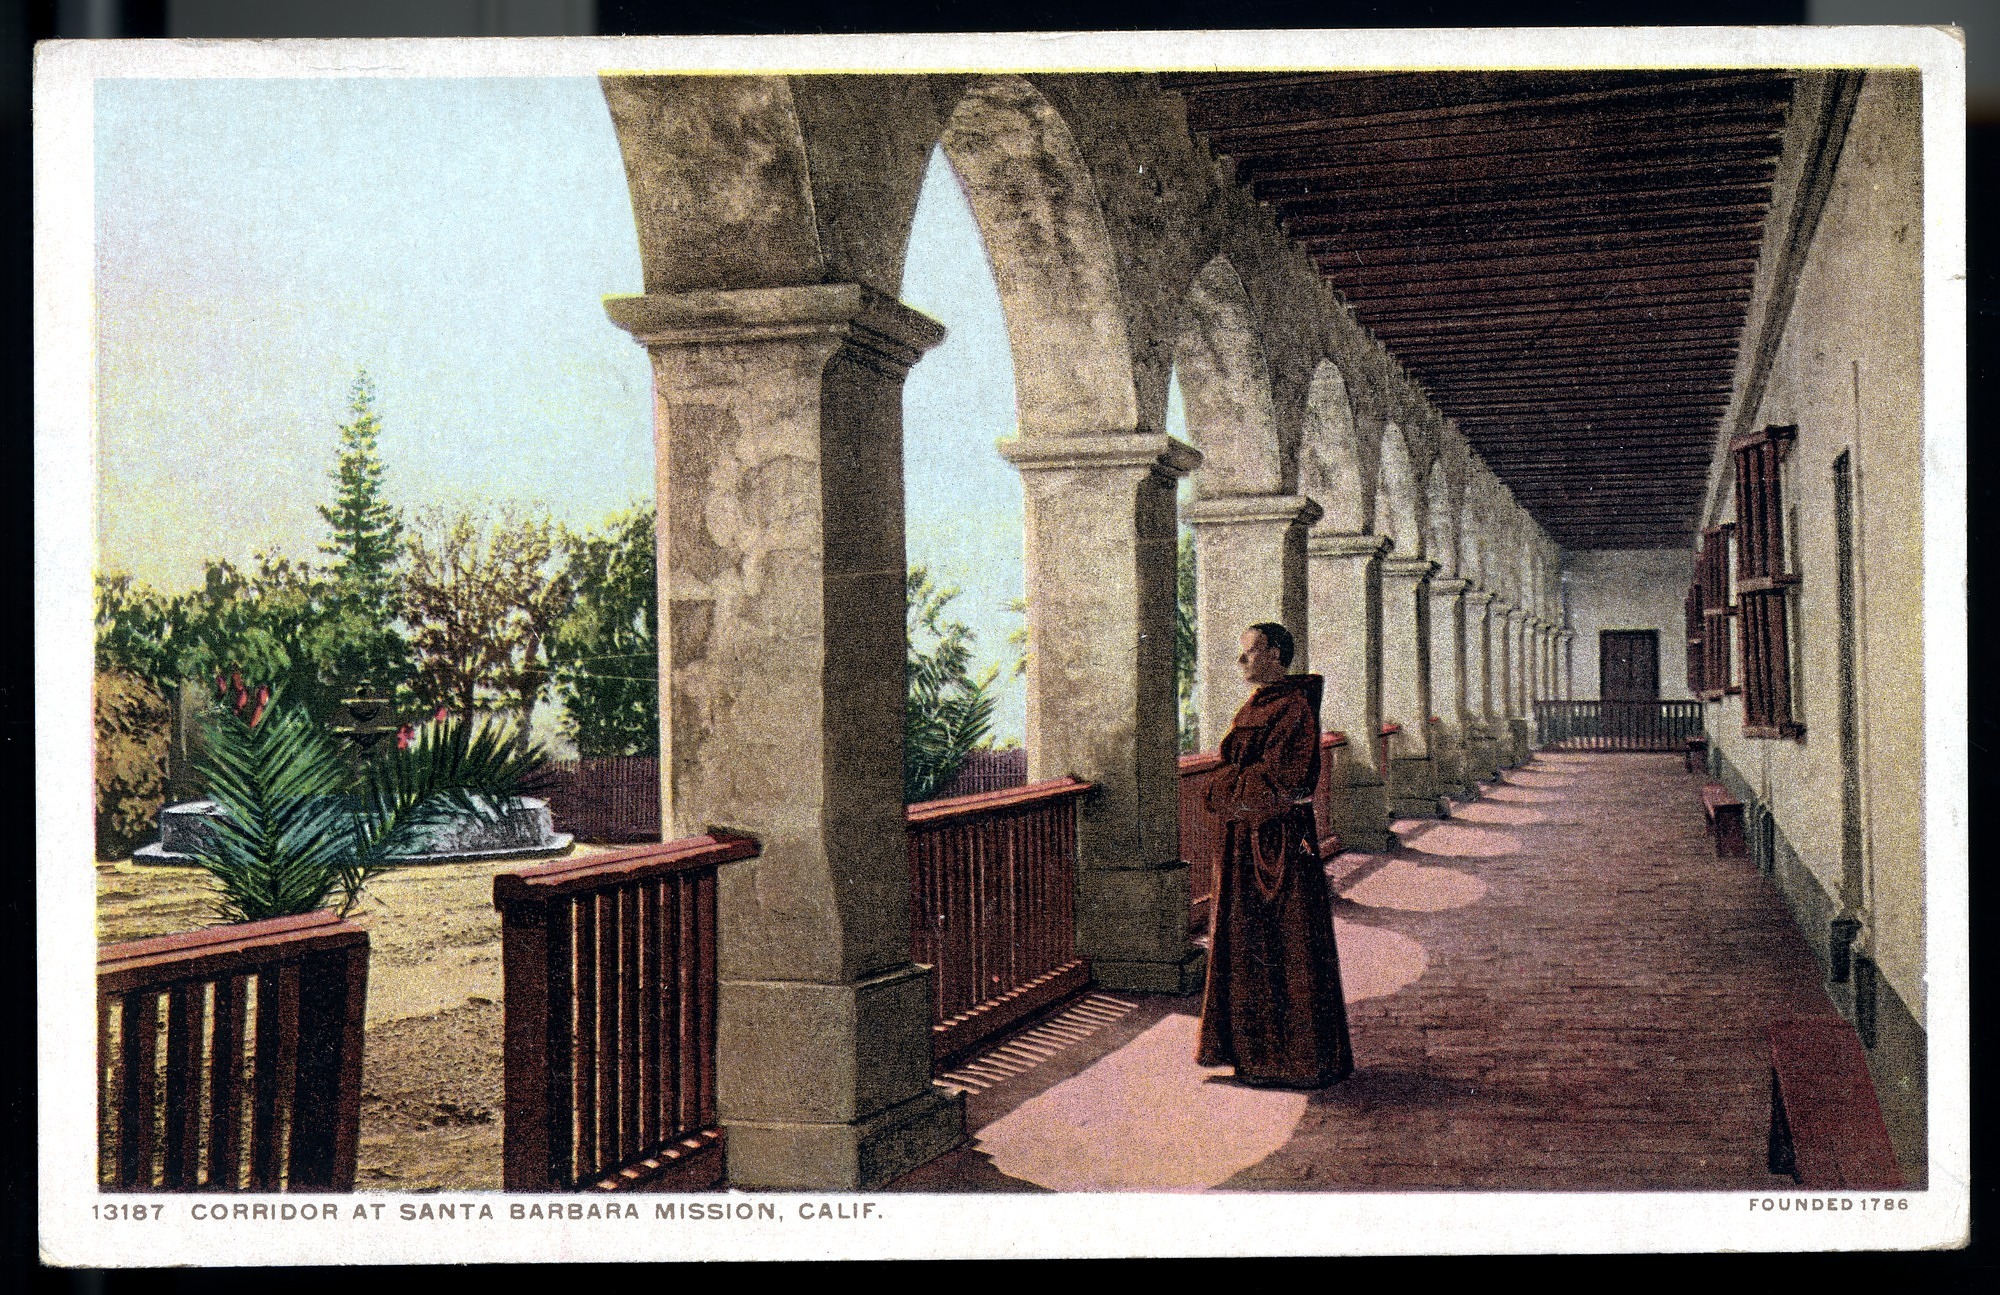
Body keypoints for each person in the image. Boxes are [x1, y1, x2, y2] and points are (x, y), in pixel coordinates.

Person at [1194, 621, 1354, 1088]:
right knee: (1248, 942)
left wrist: (1222, 788)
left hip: (1278, 842)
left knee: (1283, 941)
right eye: (1241, 653)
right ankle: (1253, 1055)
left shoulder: (1294, 707)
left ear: (1277, 655)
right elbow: (1235, 771)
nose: (1241, 661)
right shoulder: (1258, 704)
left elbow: (1275, 781)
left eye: (1250, 652)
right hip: (1246, 839)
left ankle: (1295, 1060)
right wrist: (1230, 786)